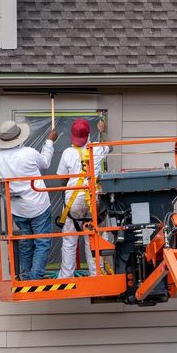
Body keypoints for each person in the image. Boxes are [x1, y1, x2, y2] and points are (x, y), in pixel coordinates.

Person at [0, 120, 57, 280]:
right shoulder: (28, 153)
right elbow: (45, 163)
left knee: (26, 241)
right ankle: (35, 275)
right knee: (42, 241)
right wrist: (49, 141)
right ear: (19, 137)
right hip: (38, 204)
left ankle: (26, 274)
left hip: (16, 207)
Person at [56, 118, 110, 278]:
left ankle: (66, 276)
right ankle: (96, 274)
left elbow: (62, 178)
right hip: (94, 200)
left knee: (70, 239)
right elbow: (110, 146)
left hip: (74, 201)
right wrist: (102, 131)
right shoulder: (98, 149)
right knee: (93, 238)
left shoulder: (67, 153)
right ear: (88, 135)